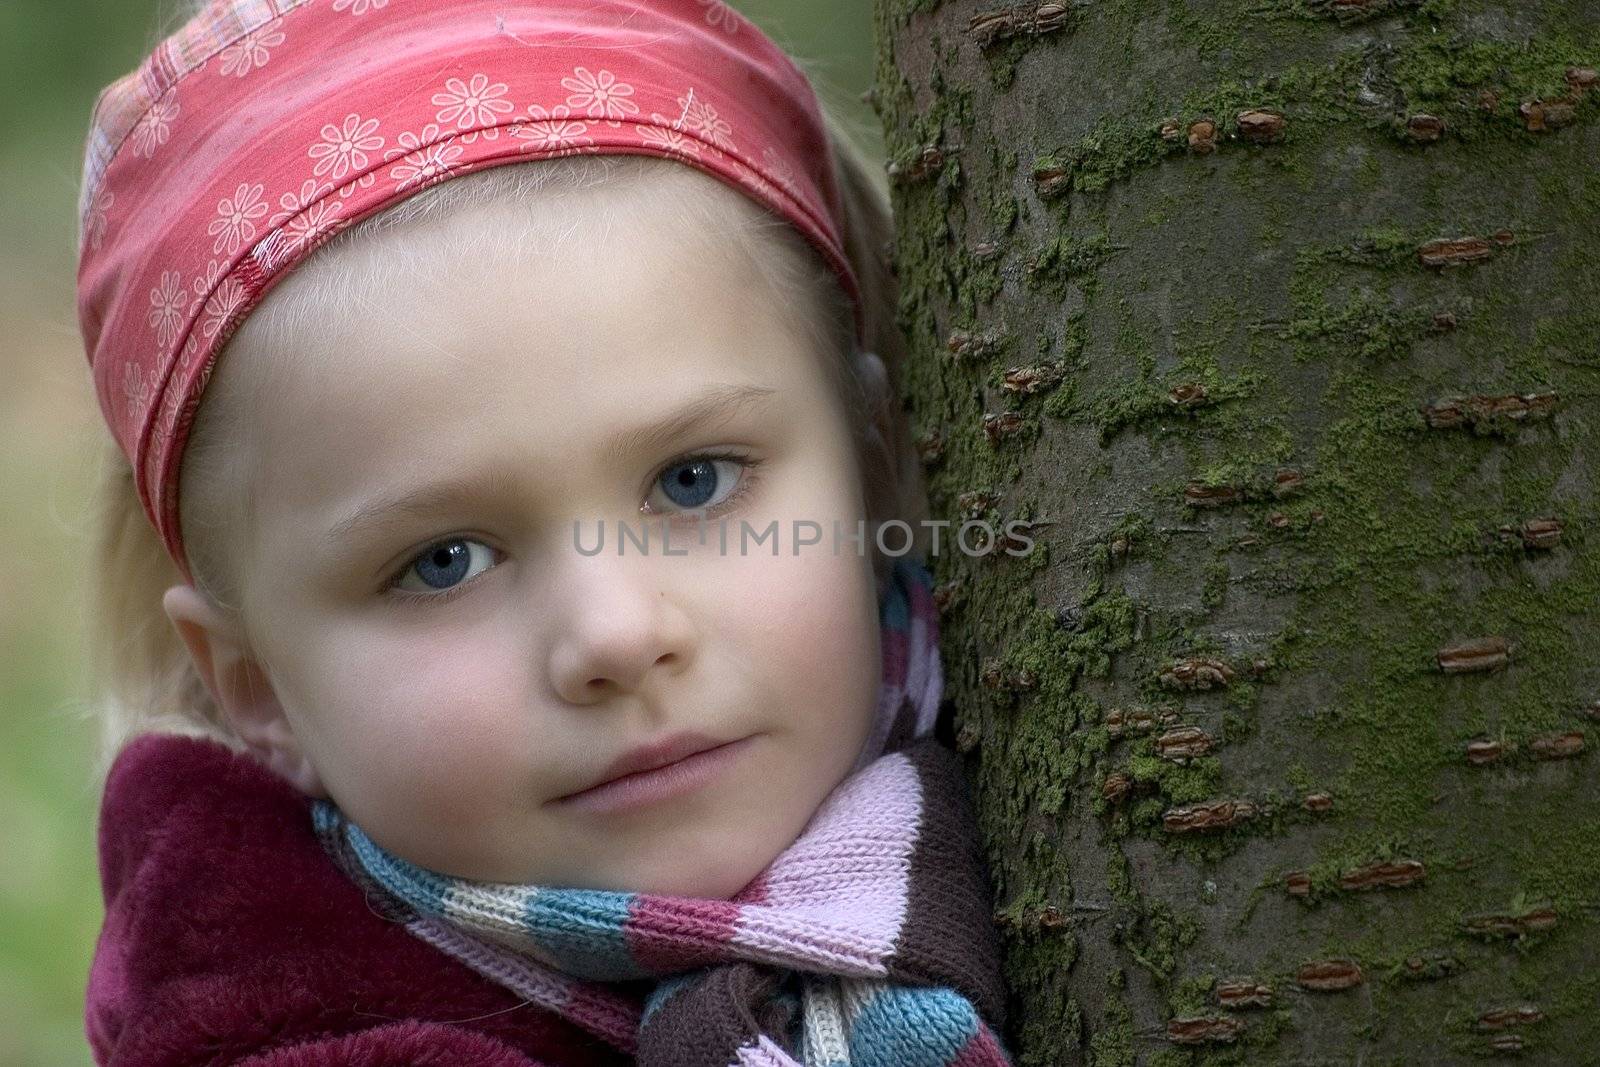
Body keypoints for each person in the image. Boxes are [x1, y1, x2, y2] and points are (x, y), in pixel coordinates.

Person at [74, 1, 1012, 1063]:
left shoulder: (1046, 768)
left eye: (693, 480)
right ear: (256, 685)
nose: (612, 635)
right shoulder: (281, 1016)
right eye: (443, 561)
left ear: (875, 464)